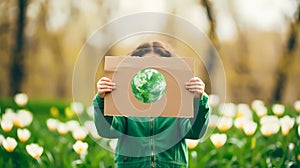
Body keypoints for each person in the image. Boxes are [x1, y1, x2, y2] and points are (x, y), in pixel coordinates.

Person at [93, 41, 210, 168]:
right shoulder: (124, 100)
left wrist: (199, 100)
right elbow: (107, 131)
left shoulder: (179, 101)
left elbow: (195, 132)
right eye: (145, 67)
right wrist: (102, 100)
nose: (151, 75)